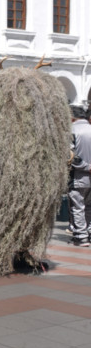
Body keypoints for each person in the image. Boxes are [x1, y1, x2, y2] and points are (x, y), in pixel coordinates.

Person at [69, 103, 91, 247]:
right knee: (89, 206)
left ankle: (81, 236)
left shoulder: (72, 131)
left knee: (78, 206)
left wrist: (87, 166)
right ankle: (88, 232)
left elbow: (70, 155)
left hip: (79, 176)